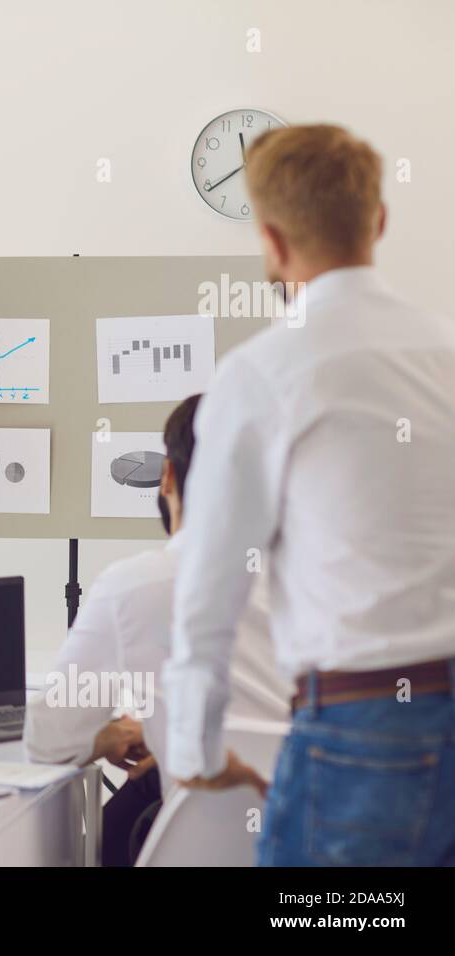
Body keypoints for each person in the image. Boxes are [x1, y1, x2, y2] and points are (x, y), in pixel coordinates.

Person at [163, 125, 455, 866]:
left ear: (269, 238)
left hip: (362, 739)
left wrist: (192, 749)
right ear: (379, 221)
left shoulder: (265, 371)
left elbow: (209, 583)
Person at [25, 395, 290, 865]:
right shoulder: (323, 581)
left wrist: (105, 737)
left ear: (167, 477)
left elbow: (49, 738)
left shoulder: (136, 584)